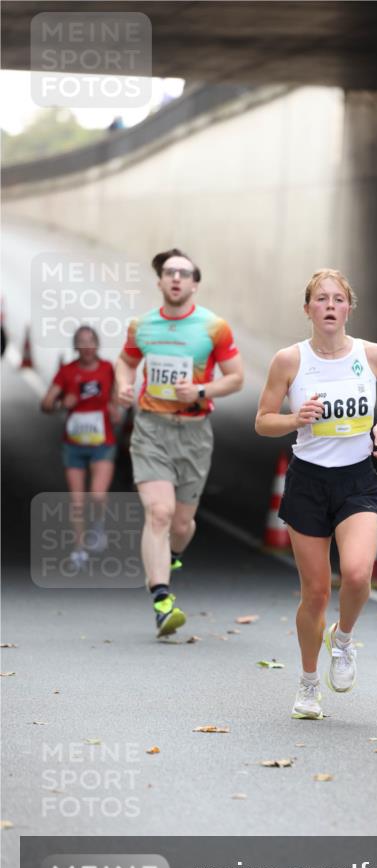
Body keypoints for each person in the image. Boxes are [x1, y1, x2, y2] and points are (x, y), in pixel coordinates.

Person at [255, 268, 377, 719]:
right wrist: (294, 419)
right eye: (320, 299)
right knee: (317, 593)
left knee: (359, 575)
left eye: (337, 299)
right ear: (307, 309)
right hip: (308, 480)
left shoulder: (373, 354)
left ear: (348, 308)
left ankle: (342, 641)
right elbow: (262, 420)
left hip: (357, 478)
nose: (329, 306)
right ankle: (307, 686)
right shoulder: (290, 360)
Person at [114, 248, 244, 638]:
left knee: (183, 524)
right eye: (169, 273)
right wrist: (123, 384)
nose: (175, 279)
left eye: (183, 274)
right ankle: (161, 600)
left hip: (194, 433)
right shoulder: (143, 325)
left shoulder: (213, 327)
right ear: (160, 282)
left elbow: (235, 377)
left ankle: (172, 556)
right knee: (159, 512)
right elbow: (125, 360)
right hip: (151, 428)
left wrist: (201, 391)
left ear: (194, 284)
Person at [41, 325, 118, 568]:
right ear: (76, 346)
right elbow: (45, 404)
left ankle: (98, 525)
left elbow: (117, 396)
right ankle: (79, 549)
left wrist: (115, 407)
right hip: (73, 445)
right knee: (77, 501)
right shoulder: (67, 372)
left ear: (97, 344)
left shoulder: (107, 369)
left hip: (102, 442)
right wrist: (63, 403)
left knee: (97, 495)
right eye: (81, 342)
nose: (87, 347)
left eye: (91, 341)